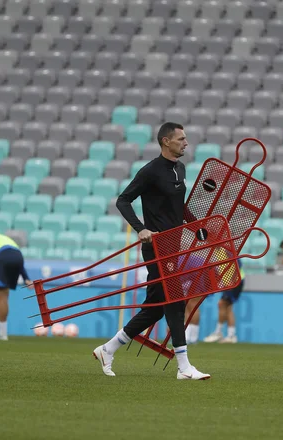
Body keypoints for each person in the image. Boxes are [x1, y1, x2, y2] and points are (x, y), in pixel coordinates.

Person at [93, 122, 210, 380]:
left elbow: (178, 208)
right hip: (157, 246)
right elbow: (123, 200)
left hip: (174, 246)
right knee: (174, 300)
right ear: (165, 141)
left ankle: (107, 349)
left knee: (156, 307)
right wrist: (140, 228)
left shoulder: (180, 168)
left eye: (186, 138)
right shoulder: (151, 171)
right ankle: (184, 367)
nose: (186, 142)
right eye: (181, 138)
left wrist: (196, 227)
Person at [203, 259, 245, 344]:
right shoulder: (218, 250)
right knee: (228, 307)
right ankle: (231, 335)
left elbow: (237, 263)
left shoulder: (226, 248)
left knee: (222, 304)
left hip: (235, 280)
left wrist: (232, 280)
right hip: (234, 281)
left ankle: (219, 332)